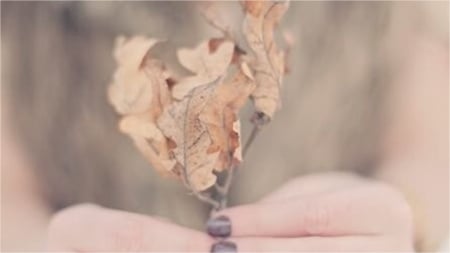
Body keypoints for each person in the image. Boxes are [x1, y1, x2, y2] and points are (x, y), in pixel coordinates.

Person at [2, 1, 448, 252]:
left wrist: (404, 215)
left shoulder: (378, 16)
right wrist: (41, 243)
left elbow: (430, 151)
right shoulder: (31, 23)